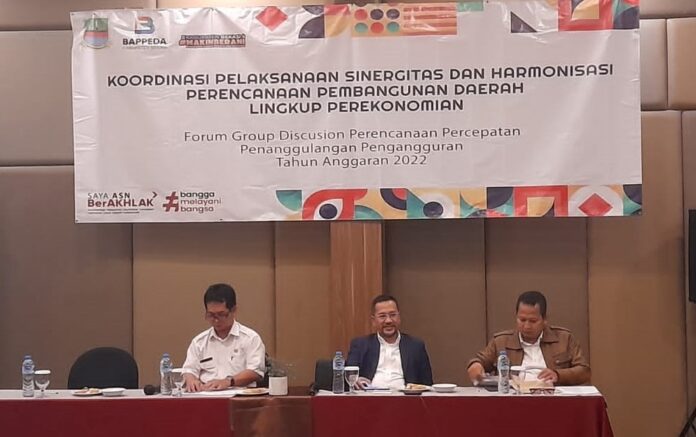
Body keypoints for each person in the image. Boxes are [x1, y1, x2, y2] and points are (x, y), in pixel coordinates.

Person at [467, 290, 590, 386]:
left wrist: (558, 375)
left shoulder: (564, 339)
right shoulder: (501, 342)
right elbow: (479, 360)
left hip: (553, 400)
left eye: (533, 321)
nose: (526, 326)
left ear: (544, 319)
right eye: (522, 320)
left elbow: (584, 371)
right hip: (513, 401)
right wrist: (476, 366)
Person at [182, 283, 265, 392]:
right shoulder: (199, 342)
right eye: (211, 315)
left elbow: (255, 372)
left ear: (234, 310)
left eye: (221, 314)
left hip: (240, 396)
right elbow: (189, 370)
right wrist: (191, 380)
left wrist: (228, 381)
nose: (216, 320)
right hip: (206, 395)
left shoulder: (250, 338)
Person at [347, 294, 433, 389]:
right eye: (382, 316)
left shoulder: (415, 346)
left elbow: (427, 384)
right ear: (373, 320)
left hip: (405, 396)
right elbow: (349, 376)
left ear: (399, 317)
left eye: (393, 315)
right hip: (370, 396)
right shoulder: (360, 345)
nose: (388, 321)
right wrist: (356, 380)